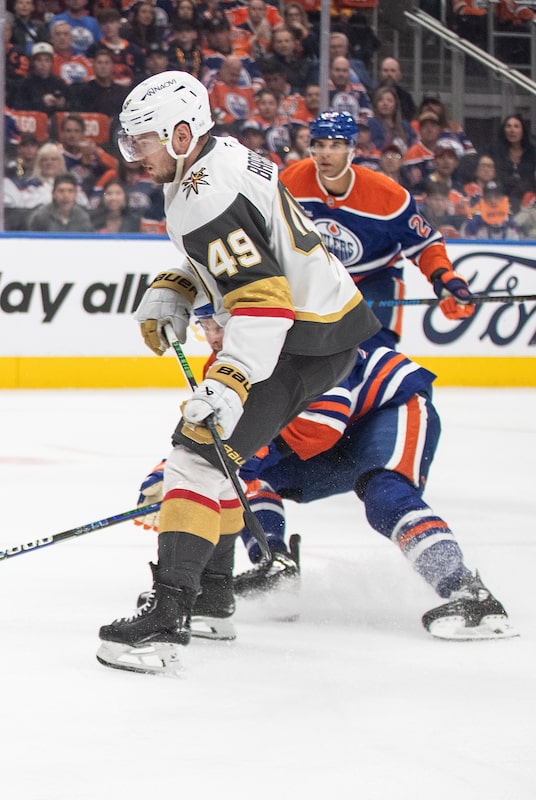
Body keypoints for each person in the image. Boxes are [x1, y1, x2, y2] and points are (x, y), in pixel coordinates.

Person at [97, 71, 380, 675]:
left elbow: (263, 301)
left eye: (142, 141)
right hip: (318, 328)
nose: (133, 155)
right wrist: (180, 283)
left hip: (299, 338)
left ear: (181, 135)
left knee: (197, 454)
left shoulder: (205, 193)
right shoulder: (217, 158)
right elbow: (242, 251)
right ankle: (212, 598)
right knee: (217, 458)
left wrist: (230, 382)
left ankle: (169, 618)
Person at [137, 304, 515, 641]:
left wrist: (239, 461)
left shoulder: (296, 342)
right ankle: (276, 566)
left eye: (219, 324)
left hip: (384, 410)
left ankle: (471, 595)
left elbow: (323, 422)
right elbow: (214, 440)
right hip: (321, 436)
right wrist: (169, 478)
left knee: (386, 495)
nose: (214, 337)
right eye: (205, 326)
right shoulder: (224, 365)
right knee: (245, 481)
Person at [279, 112, 477, 350]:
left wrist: (443, 278)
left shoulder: (387, 196)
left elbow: (424, 243)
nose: (325, 153)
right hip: (317, 281)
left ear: (352, 149)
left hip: (374, 279)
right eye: (319, 144)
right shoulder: (290, 182)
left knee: (375, 357)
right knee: (308, 362)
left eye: (336, 145)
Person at [24, 173, 92, 232]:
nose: (66, 196)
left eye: (70, 191)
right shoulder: (41, 216)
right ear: (53, 194)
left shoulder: (82, 217)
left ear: (76, 194)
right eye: (61, 191)